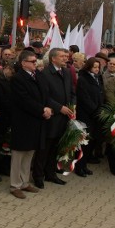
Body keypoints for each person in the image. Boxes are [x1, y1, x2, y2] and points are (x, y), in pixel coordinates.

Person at [9, 50, 49, 199]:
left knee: (29, 152)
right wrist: (42, 109)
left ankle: (25, 182)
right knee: (18, 154)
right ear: (23, 63)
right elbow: (24, 100)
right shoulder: (18, 78)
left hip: (36, 120)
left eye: (36, 60)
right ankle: (15, 185)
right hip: (23, 121)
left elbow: (44, 94)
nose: (35, 63)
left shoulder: (38, 75)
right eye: (32, 61)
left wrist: (46, 108)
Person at [33, 48, 75, 188]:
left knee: (55, 147)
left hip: (64, 116)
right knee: (44, 148)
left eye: (66, 56)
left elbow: (72, 92)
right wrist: (59, 108)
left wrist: (72, 106)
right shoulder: (44, 73)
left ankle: (50, 174)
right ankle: (38, 176)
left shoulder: (67, 72)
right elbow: (44, 96)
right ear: (53, 59)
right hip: (51, 117)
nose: (65, 58)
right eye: (62, 56)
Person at [75, 57, 105, 177]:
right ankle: (79, 167)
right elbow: (84, 98)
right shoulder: (83, 79)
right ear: (89, 67)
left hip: (96, 115)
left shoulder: (98, 78)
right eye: (94, 67)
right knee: (83, 143)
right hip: (86, 115)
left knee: (91, 142)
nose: (97, 69)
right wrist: (95, 110)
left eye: (98, 67)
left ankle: (84, 165)